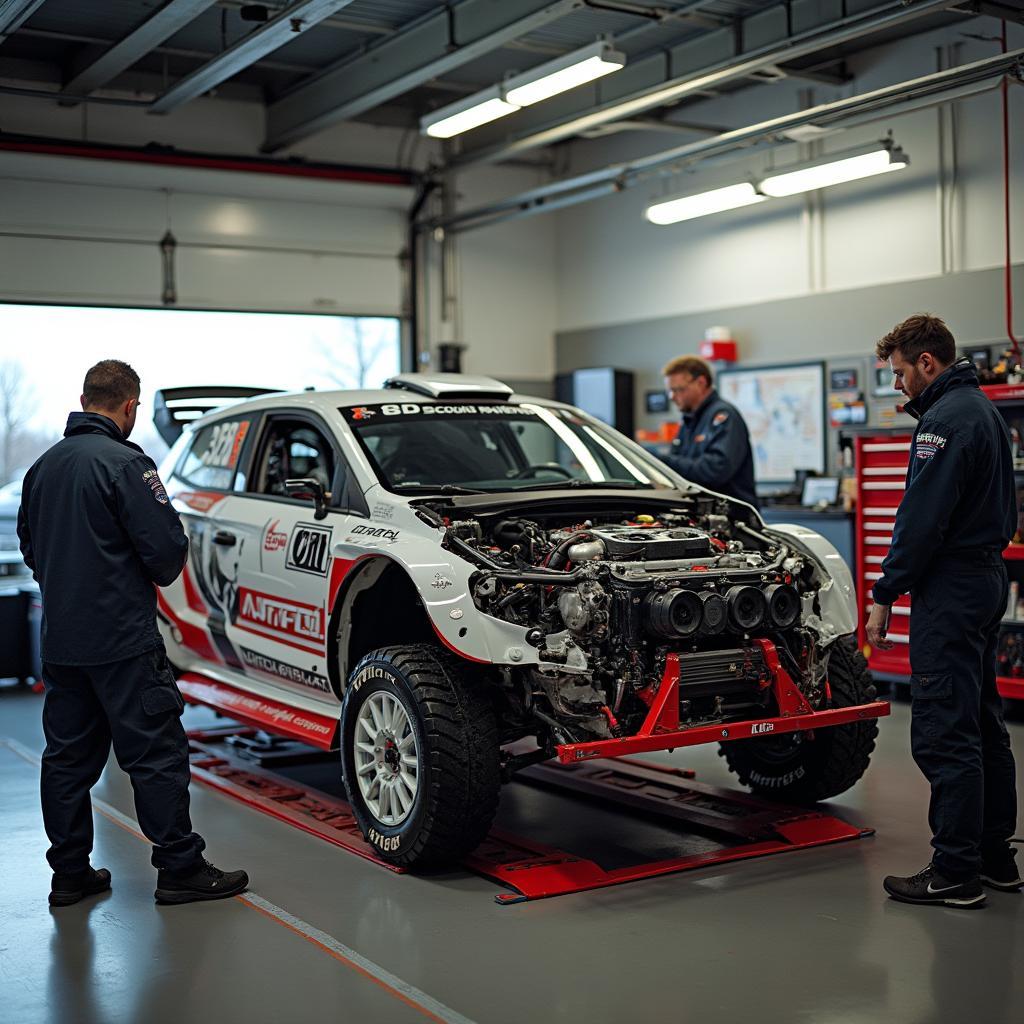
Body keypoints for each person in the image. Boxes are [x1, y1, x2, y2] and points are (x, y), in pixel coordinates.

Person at [17, 359, 248, 907]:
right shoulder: (127, 465)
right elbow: (166, 555)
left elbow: (31, 550)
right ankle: (180, 868)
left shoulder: (41, 469)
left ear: (83, 398)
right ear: (129, 407)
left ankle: (70, 874)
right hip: (123, 642)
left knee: (67, 761)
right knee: (154, 755)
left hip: (63, 642)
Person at [865, 314, 1020, 908]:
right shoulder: (980, 410)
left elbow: (921, 519)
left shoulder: (945, 421)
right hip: (985, 578)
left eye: (900, 373)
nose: (898, 385)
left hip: (951, 588)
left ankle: (955, 870)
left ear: (926, 362)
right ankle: (993, 857)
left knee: (944, 729)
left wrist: (884, 591)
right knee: (983, 723)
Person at [661, 355, 758, 508]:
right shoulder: (689, 421)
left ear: (701, 383)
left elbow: (715, 470)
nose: (672, 397)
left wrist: (662, 461)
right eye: (669, 391)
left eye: (678, 389)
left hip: (731, 518)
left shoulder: (723, 416)